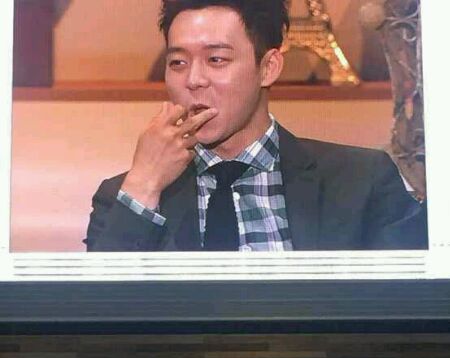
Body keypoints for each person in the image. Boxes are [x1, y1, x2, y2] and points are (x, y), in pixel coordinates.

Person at [85, 0, 427, 253]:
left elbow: (407, 313)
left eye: (216, 59)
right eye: (177, 62)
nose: (193, 79)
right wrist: (144, 185)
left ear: (268, 67)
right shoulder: (125, 197)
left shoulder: (361, 181)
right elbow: (99, 316)